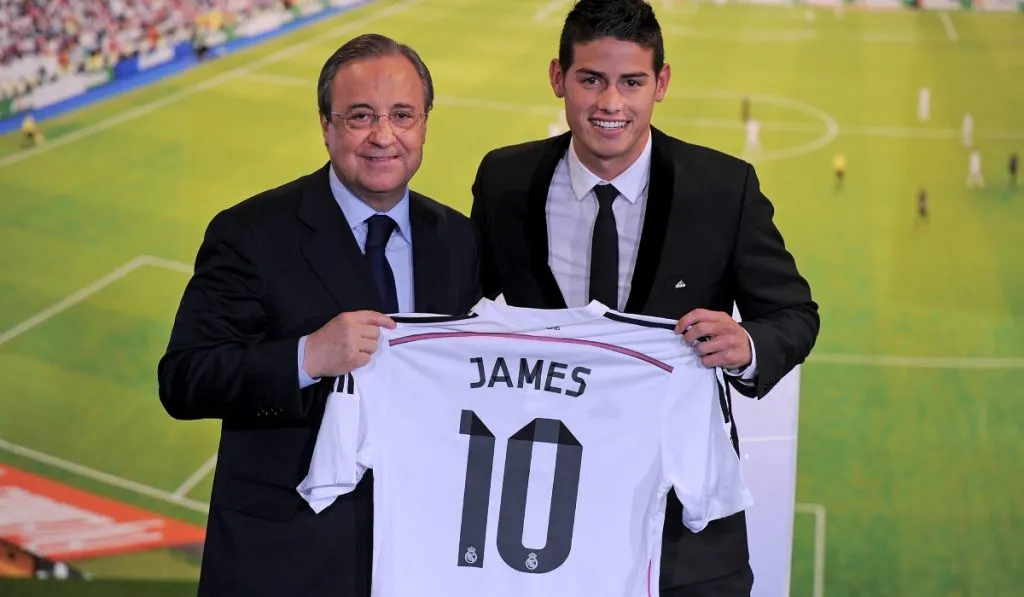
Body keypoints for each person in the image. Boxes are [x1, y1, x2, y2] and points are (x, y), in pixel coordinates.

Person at [469, 1, 819, 595]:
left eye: (631, 82)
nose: (610, 104)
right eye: (591, 80)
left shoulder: (722, 188)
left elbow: (793, 314)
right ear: (559, 78)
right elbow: (460, 308)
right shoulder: (505, 179)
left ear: (661, 83)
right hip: (538, 502)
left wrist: (749, 344)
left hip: (682, 516)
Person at [157, 34, 480, 597]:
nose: (384, 136)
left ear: (425, 122)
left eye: (402, 115)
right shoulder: (251, 232)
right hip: (286, 561)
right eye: (360, 116)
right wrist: (307, 357)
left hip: (418, 552)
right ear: (327, 126)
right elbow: (184, 379)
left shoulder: (457, 238)